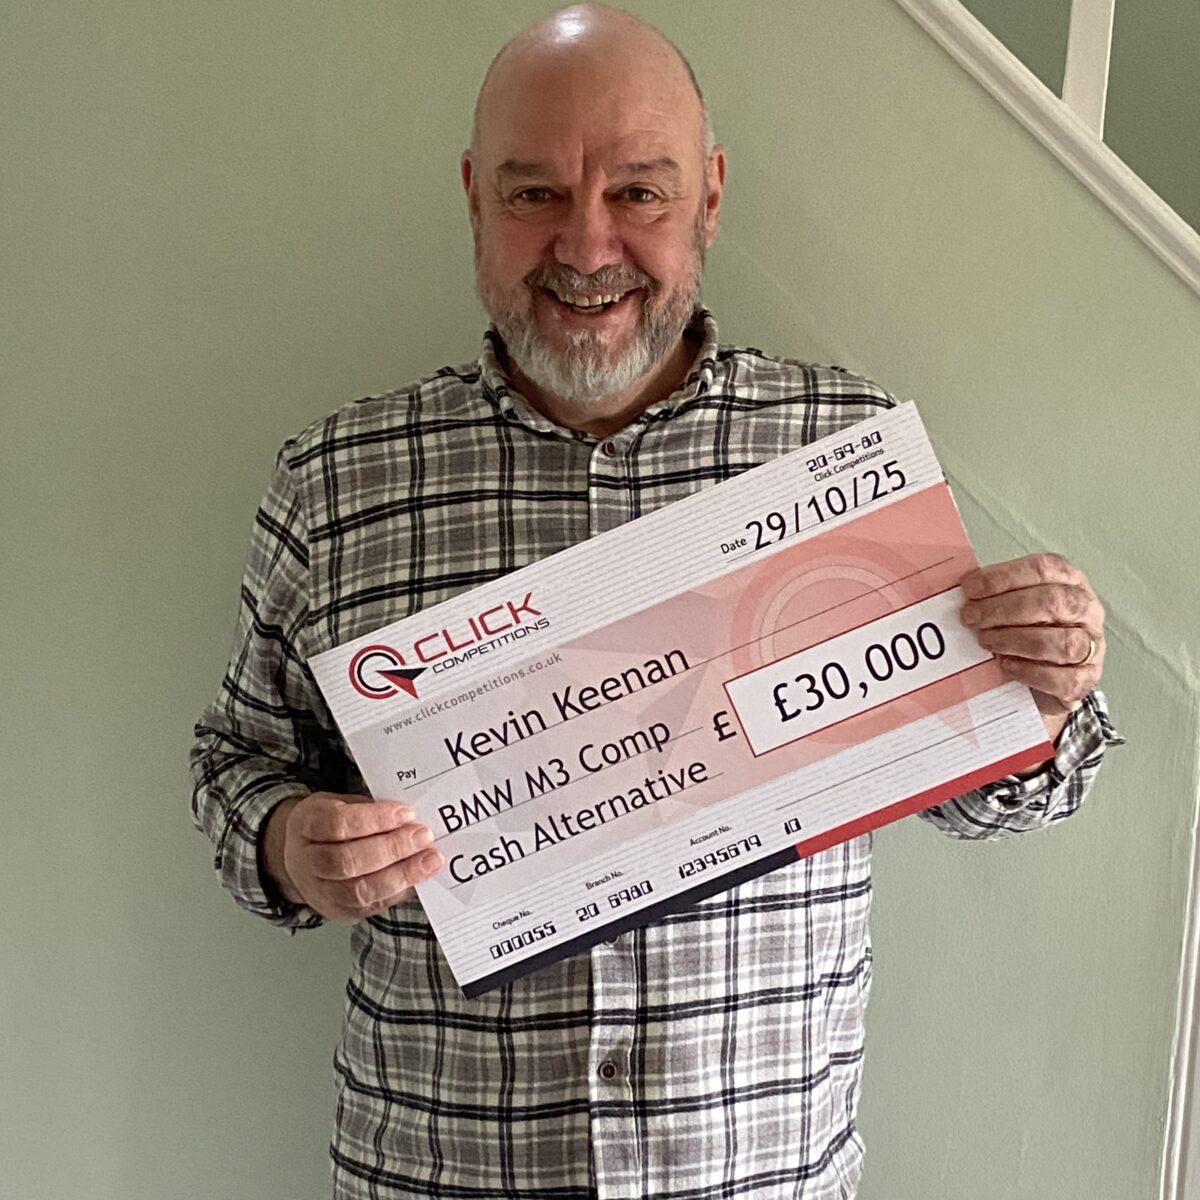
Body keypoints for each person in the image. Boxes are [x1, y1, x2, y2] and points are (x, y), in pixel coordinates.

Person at [190, 6, 1120, 1198]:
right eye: (535, 193)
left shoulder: (836, 454)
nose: (587, 248)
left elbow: (995, 795)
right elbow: (235, 761)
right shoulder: (338, 479)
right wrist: (287, 846)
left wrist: (1043, 686)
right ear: (474, 197)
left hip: (761, 1173)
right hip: (439, 1170)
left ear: (710, 198)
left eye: (639, 192)